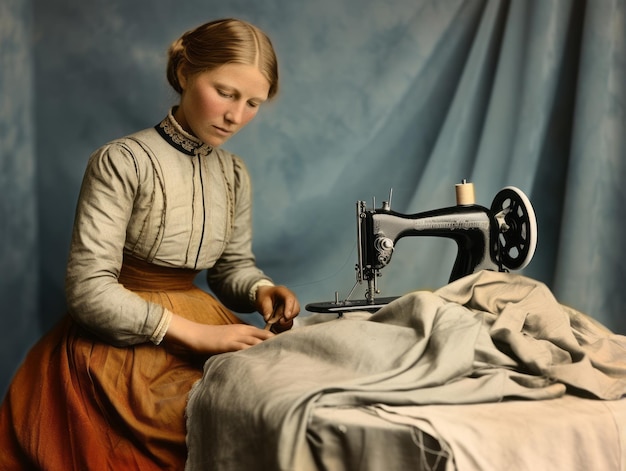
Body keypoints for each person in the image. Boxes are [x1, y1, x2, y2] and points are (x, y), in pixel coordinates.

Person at [0, 18, 300, 470]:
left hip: (206, 322)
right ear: (184, 74)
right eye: (225, 92)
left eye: (253, 102)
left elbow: (230, 267)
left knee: (276, 401)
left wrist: (260, 289)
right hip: (120, 345)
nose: (236, 116)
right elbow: (88, 290)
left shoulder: (233, 174)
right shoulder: (122, 162)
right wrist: (198, 335)